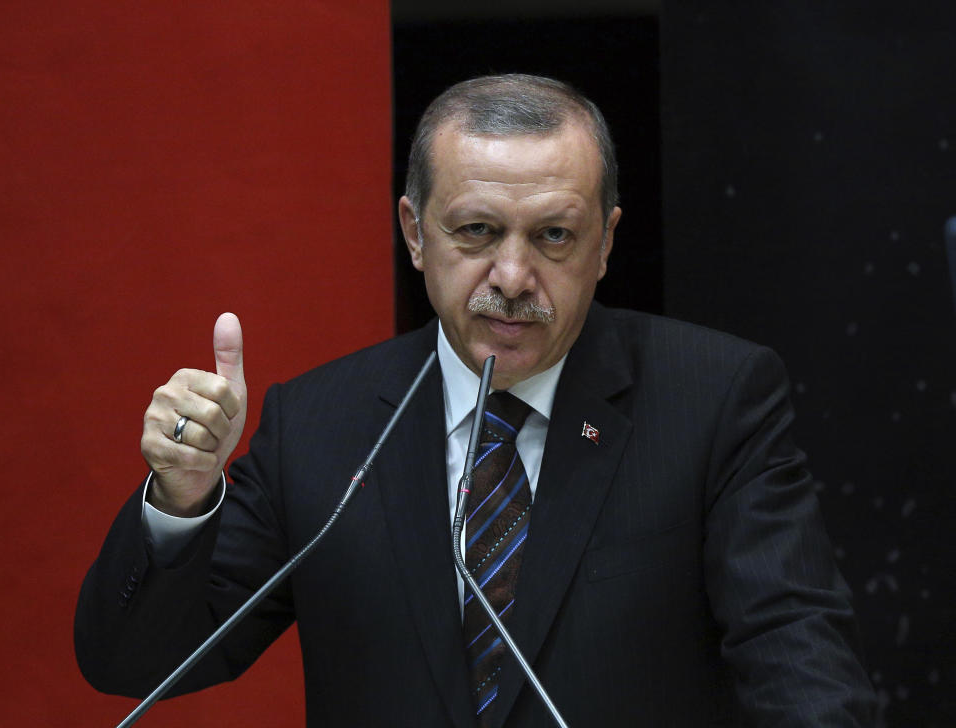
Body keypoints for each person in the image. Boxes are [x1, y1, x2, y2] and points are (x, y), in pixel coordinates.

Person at [76, 74, 876, 727]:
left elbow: (795, 650)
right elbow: (133, 664)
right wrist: (180, 501)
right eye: (477, 232)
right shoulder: (320, 427)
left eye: (554, 237)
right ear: (415, 233)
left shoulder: (712, 400)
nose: (513, 278)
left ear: (605, 242)